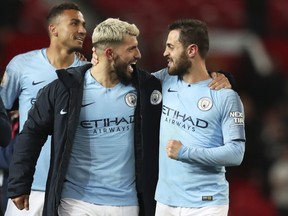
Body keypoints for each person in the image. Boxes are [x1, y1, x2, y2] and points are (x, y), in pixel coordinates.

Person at [7, 18, 232, 216]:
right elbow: (32, 134)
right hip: (76, 201)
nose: (139, 54)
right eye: (132, 49)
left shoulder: (148, 87)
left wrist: (222, 76)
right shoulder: (64, 90)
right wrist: (19, 183)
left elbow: (193, 78)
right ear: (109, 53)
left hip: (127, 204)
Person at [0, 2, 87, 215]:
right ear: (53, 29)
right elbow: (4, 110)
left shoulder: (89, 72)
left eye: (84, 24)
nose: (83, 30)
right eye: (74, 23)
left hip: (73, 189)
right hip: (27, 185)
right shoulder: (21, 65)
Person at [153, 19, 246, 216]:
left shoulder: (225, 96)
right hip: (165, 201)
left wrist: (185, 153)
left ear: (191, 50)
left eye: (171, 47)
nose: (165, 53)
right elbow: (122, 76)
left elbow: (236, 153)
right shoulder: (162, 80)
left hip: (206, 203)